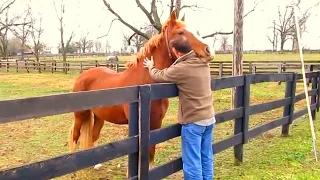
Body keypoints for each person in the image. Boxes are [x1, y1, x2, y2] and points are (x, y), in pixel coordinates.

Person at [143, 36, 216, 180]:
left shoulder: (181, 68)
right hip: (209, 118)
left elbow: (159, 75)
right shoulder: (202, 61)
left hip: (194, 121)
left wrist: (151, 66)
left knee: (192, 162)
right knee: (206, 157)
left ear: (177, 53)